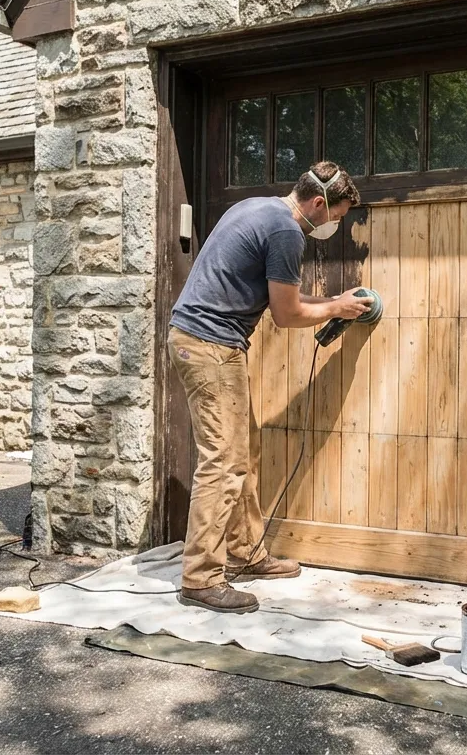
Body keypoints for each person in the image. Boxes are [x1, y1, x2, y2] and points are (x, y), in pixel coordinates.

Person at [166, 161, 375, 614]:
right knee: (223, 462)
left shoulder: (257, 207)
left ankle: (245, 550)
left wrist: (337, 305)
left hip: (200, 340)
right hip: (211, 345)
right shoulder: (287, 232)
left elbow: (291, 301)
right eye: (337, 216)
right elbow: (287, 315)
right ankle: (200, 577)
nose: (335, 225)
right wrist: (333, 306)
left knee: (245, 449)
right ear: (318, 204)